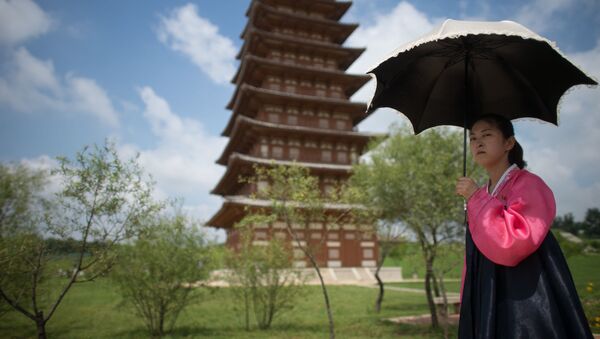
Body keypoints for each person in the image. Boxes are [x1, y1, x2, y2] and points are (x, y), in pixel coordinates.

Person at [455, 114, 593, 338]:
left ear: (509, 143)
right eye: (472, 138)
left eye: (487, 135)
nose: (478, 142)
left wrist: (476, 198)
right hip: (491, 290)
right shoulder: (487, 191)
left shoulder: (529, 184)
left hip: (527, 294)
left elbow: (513, 243)